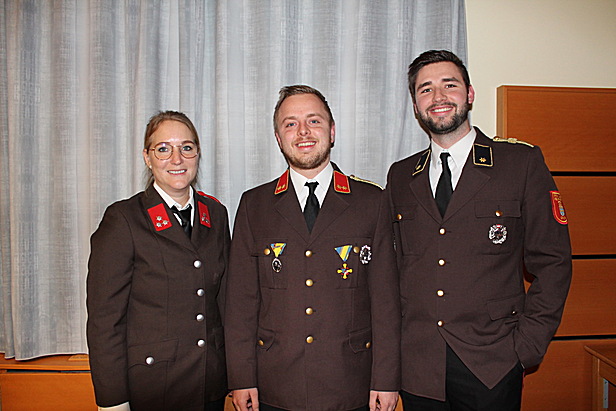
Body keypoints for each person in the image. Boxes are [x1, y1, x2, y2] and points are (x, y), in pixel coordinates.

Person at [386, 49, 572, 410]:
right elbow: (393, 270)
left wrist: (526, 348)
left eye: (449, 85)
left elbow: (553, 262)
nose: (438, 97)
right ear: (415, 105)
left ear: (469, 94)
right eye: (426, 89)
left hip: (492, 362)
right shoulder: (401, 176)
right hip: (419, 365)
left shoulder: (519, 163)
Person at [224, 85, 401, 411]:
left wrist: (386, 379)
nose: (303, 131)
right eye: (290, 124)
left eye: (314, 121)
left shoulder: (371, 202)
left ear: (332, 131)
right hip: (276, 385)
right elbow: (240, 303)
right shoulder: (254, 205)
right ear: (278, 138)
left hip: (350, 382)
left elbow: (386, 302)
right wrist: (241, 377)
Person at [87, 111, 230, 411]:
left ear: (197, 154)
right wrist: (113, 401)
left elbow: (225, 301)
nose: (177, 159)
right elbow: (105, 320)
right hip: (154, 389)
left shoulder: (216, 215)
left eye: (186, 147)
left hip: (210, 386)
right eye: (163, 149)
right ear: (147, 158)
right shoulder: (124, 219)